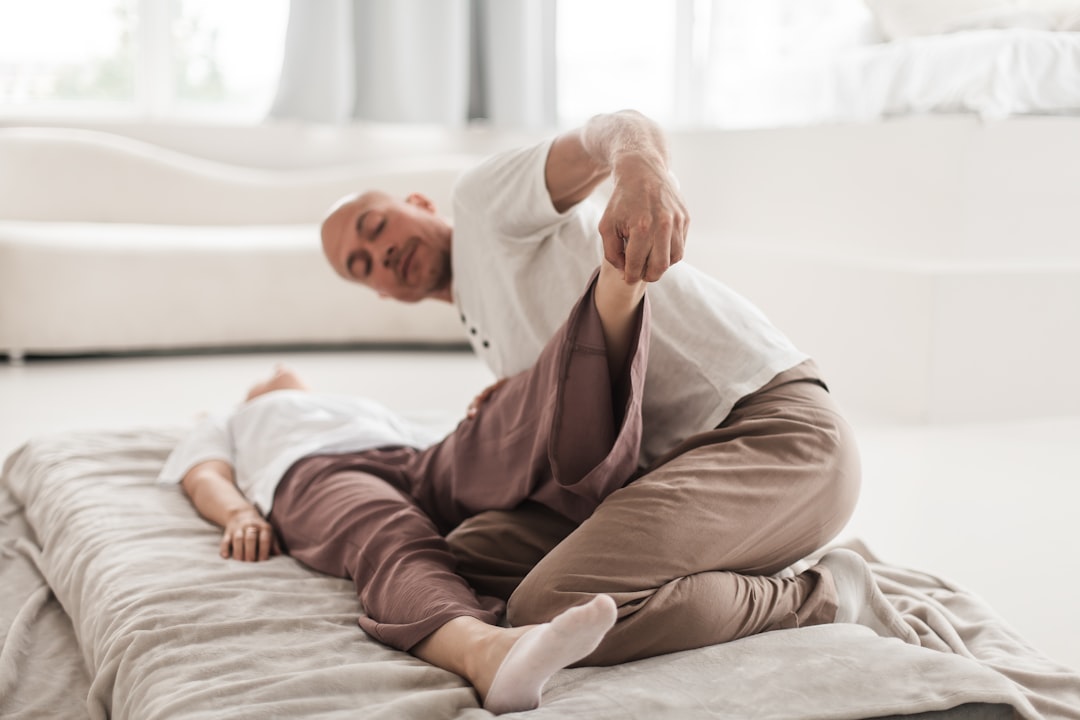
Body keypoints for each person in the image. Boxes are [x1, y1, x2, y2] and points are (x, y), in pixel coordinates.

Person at [319, 108, 917, 668]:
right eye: (362, 263)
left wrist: (642, 172)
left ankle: (825, 597)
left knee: (547, 605)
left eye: (376, 226)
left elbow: (618, 129)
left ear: (418, 202)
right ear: (379, 294)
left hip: (774, 431)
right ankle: (703, 585)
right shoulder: (488, 332)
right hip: (671, 470)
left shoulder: (482, 207)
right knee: (465, 551)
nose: (381, 251)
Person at [162, 260, 658, 714]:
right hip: (317, 474)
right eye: (267, 377)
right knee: (391, 533)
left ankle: (617, 286)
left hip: (412, 460)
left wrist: (500, 406)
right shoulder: (234, 417)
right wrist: (240, 515)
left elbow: (465, 450)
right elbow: (203, 473)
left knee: (501, 427)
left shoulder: (356, 407)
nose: (278, 373)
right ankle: (486, 653)